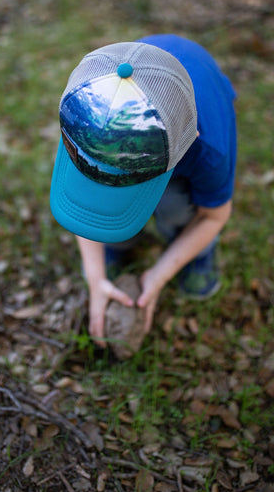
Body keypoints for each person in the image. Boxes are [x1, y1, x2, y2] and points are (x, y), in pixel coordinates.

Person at [50, 34, 237, 347]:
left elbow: (214, 216)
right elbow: (82, 195)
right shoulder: (87, 111)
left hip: (198, 119)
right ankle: (120, 241)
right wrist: (95, 278)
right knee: (110, 196)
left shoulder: (208, 150)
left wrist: (159, 275)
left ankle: (197, 255)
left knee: (174, 205)